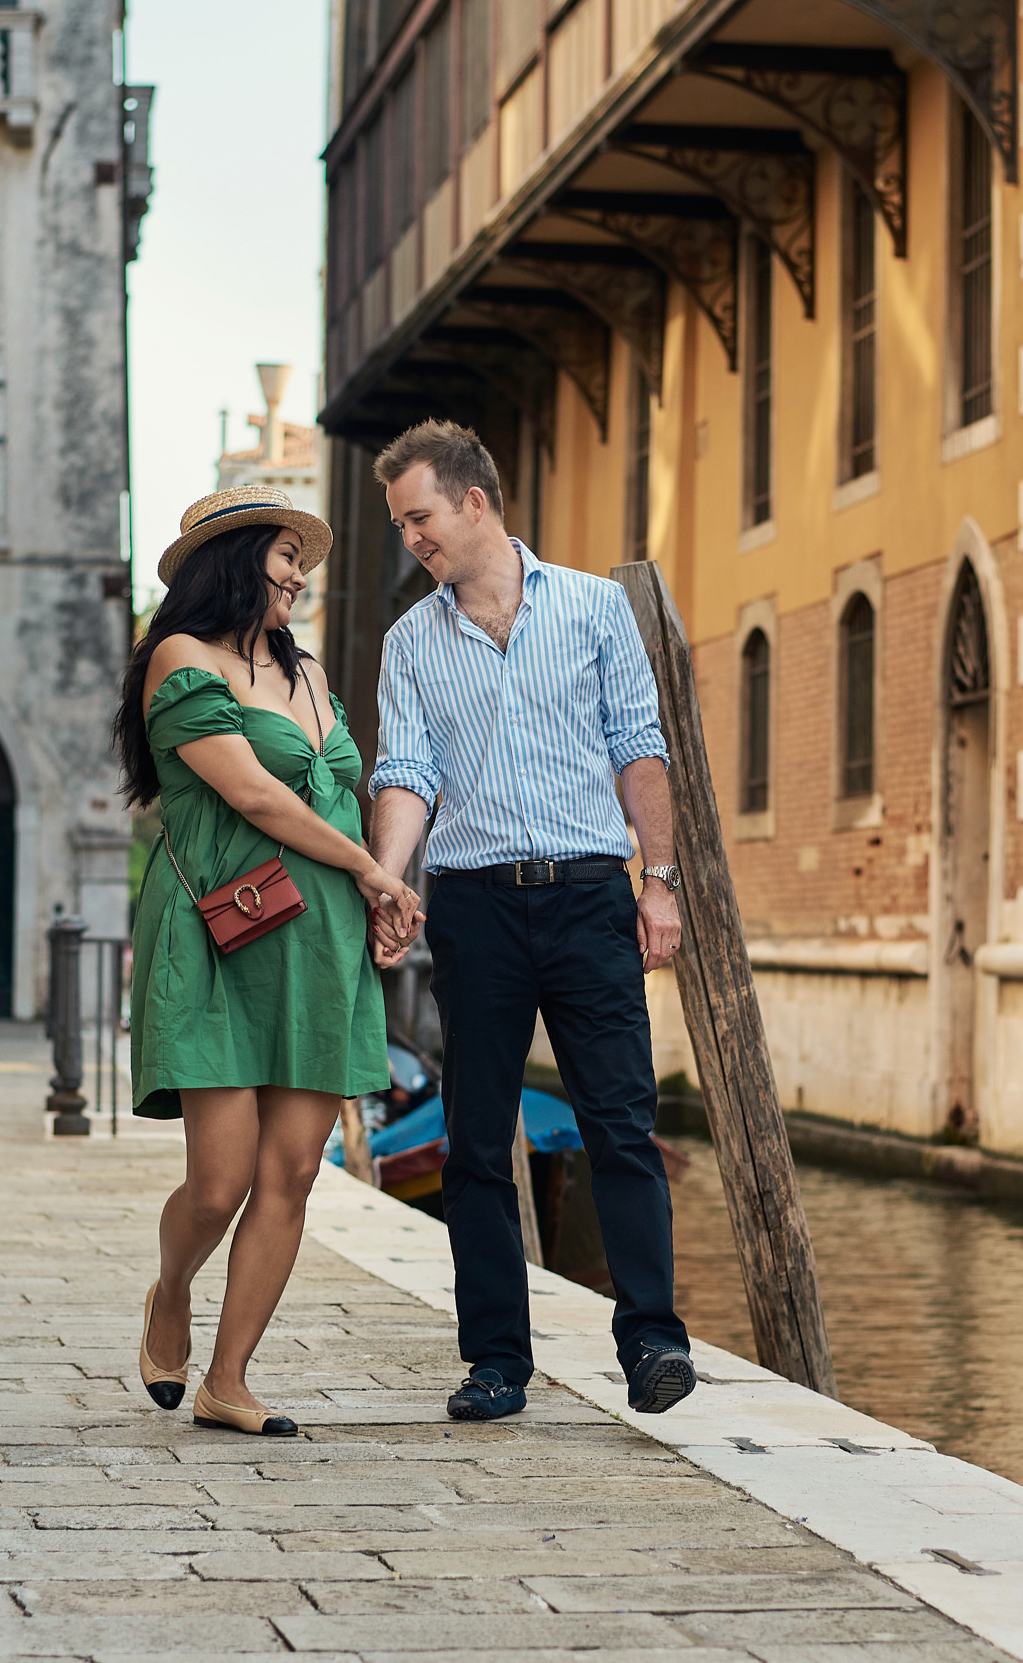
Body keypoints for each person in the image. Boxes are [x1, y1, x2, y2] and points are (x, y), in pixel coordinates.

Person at [364, 420, 696, 1421]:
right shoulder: (408, 641)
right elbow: (407, 772)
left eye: (418, 516)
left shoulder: (595, 609)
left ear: (474, 500)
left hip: (591, 893)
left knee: (621, 1125)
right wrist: (388, 880)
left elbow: (640, 744)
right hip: (473, 907)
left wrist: (661, 879)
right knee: (472, 1143)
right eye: (400, 523)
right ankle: (497, 1359)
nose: (410, 537)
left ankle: (651, 1343)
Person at [116, 484, 422, 1437]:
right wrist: (375, 868)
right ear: (233, 558)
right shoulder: (179, 658)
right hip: (216, 930)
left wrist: (380, 898)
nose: (300, 573)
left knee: (291, 1172)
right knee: (220, 1179)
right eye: (285, 555)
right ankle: (173, 1289)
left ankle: (229, 1379)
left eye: (303, 558)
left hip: (320, 932)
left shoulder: (313, 675)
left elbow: (339, 799)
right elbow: (253, 794)